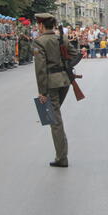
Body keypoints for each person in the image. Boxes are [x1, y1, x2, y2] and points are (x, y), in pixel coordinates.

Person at [32, 13, 79, 167]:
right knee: (56, 114)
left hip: (51, 84)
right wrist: (66, 67)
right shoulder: (62, 38)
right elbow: (76, 55)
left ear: (40, 25)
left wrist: (42, 92)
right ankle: (61, 154)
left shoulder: (40, 42)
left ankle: (61, 157)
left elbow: (40, 70)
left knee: (55, 121)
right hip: (64, 80)